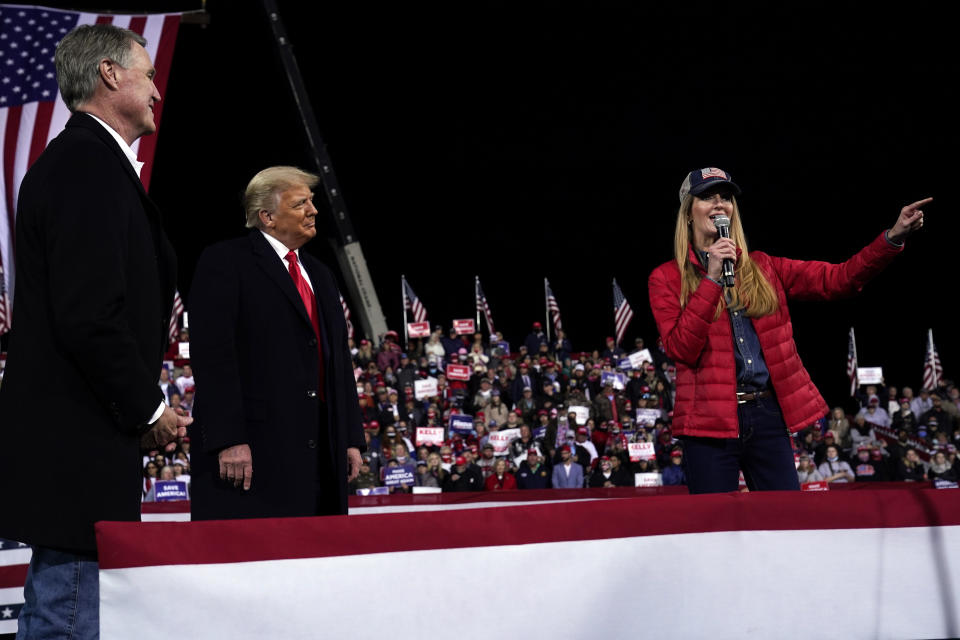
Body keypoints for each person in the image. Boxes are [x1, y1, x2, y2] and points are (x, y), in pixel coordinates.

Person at [0, 24, 191, 639]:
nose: (158, 90)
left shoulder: (88, 164)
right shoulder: (87, 166)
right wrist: (148, 409)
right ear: (110, 74)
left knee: (65, 599)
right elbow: (88, 315)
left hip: (77, 437)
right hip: (77, 442)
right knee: (69, 608)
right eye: (149, 74)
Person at [648, 166, 929, 494]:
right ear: (688, 213)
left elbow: (838, 279)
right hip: (707, 423)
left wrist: (891, 238)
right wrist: (711, 279)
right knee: (714, 529)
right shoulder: (665, 278)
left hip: (767, 415)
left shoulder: (764, 267)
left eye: (725, 197)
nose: (719, 203)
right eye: (707, 197)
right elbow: (681, 349)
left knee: (785, 521)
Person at [189, 166, 365, 520]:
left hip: (320, 453)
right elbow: (214, 357)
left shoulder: (321, 274)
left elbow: (338, 362)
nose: (314, 210)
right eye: (301, 204)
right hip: (254, 454)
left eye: (312, 202)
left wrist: (349, 438)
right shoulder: (226, 262)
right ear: (267, 216)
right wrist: (228, 438)